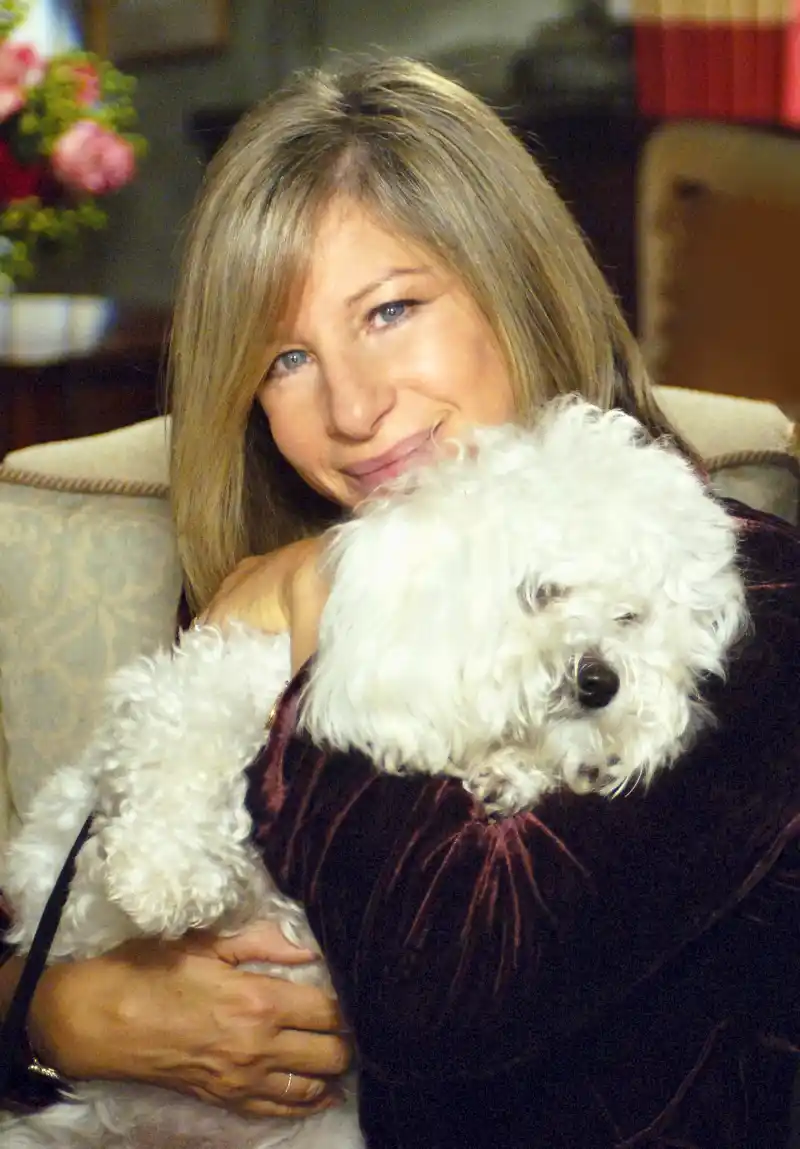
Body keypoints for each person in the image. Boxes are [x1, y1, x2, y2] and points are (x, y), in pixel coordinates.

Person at [1, 56, 799, 1148]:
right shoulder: (284, 572)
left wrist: (335, 611)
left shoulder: (747, 605)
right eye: (287, 357)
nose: (353, 408)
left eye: (389, 310)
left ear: (512, 284)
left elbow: (440, 999)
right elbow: (101, 900)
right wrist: (56, 1012)